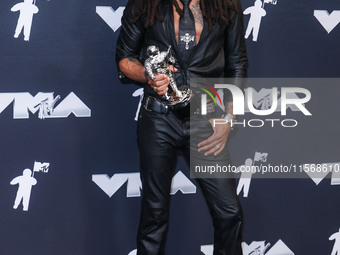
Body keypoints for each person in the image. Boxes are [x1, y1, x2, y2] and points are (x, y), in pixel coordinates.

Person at [116, 0, 248, 254]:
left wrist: (229, 119)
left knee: (229, 212)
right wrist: (149, 76)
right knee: (154, 214)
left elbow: (237, 64)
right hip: (158, 119)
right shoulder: (145, 4)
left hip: (205, 121)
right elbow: (123, 58)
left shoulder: (226, 5)